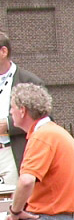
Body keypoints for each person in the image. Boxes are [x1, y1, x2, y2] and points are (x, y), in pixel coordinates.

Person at [0, 83, 74, 220]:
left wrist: (15, 212)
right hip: (61, 219)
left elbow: (26, 181)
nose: (10, 112)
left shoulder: (42, 137)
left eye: (12, 107)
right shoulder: (54, 132)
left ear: (22, 110)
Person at [0, 32, 43, 187]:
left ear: (3, 52)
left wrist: (8, 125)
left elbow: (44, 118)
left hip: (12, 152)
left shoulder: (29, 81)